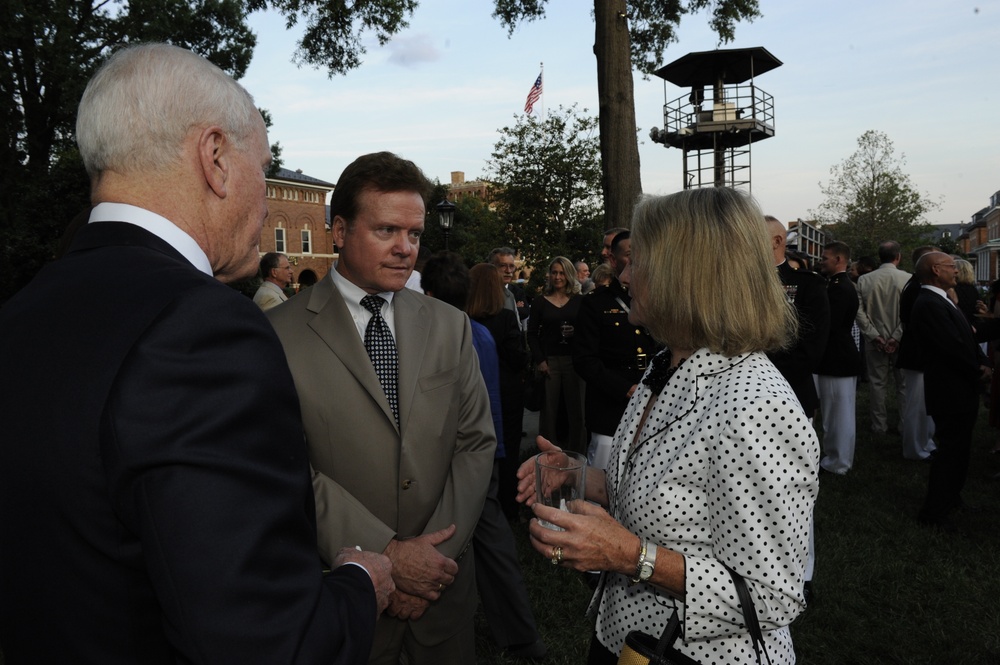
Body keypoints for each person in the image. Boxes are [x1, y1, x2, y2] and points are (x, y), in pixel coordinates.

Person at [0, 43, 391, 664]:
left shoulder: (22, 315)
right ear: (215, 157)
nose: (265, 204)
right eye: (262, 169)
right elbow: (264, 643)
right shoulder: (202, 329)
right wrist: (360, 584)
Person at [517, 188, 819, 664]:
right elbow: (677, 494)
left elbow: (772, 596)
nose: (624, 273)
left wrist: (629, 556)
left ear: (686, 273)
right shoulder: (669, 363)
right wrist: (583, 477)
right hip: (626, 639)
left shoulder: (754, 403)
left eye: (638, 260)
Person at [266, 151, 496, 664]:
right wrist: (388, 555)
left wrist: (432, 560)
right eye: (388, 230)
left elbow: (476, 442)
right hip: (345, 603)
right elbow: (281, 467)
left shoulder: (449, 325)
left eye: (414, 234)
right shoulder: (275, 336)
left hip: (442, 597)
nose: (405, 249)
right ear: (340, 230)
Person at [422, 254, 547, 662]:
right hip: (487, 453)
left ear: (428, 294)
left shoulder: (440, 335)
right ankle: (519, 634)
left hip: (456, 458)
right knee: (493, 543)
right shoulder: (481, 334)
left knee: (448, 541)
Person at [910, 253, 992, 531]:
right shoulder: (930, 302)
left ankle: (951, 497)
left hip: (958, 387)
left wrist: (981, 361)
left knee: (959, 450)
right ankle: (934, 512)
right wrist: (978, 369)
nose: (956, 271)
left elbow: (965, 337)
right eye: (951, 267)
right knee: (950, 452)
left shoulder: (942, 299)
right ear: (936, 270)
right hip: (950, 390)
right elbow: (952, 347)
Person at [574, 230, 658, 470]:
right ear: (613, 260)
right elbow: (584, 359)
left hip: (650, 405)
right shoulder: (595, 303)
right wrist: (625, 389)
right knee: (603, 477)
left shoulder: (657, 300)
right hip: (610, 409)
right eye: (630, 254)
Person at [468, 263, 529, 520]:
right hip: (506, 395)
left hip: (473, 394)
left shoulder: (462, 320)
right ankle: (507, 507)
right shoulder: (504, 320)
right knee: (508, 451)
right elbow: (518, 358)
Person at [765, 216, 830, 418]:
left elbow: (811, 347)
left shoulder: (807, 284)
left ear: (776, 242)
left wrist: (765, 379)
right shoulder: (737, 284)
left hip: (789, 393)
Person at [527, 256, 587, 454]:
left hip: (574, 361)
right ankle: (548, 457)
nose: (558, 276)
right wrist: (540, 360)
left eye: (561, 272)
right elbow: (532, 334)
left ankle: (577, 457)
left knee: (577, 411)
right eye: (554, 272)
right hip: (550, 362)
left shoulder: (580, 301)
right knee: (549, 413)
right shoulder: (539, 302)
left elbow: (589, 331)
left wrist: (576, 332)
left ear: (568, 275)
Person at [815, 241, 863, 473]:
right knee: (834, 414)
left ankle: (838, 462)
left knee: (838, 416)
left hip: (837, 358)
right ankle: (835, 457)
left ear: (838, 260)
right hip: (836, 357)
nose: (821, 261)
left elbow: (830, 324)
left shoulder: (840, 288)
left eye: (825, 258)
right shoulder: (837, 285)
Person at [856, 241, 911, 434]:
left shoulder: (864, 280)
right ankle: (905, 424)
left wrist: (874, 335)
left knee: (877, 383)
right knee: (903, 384)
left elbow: (859, 312)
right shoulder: (908, 279)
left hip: (875, 339)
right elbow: (910, 313)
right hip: (900, 339)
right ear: (898, 257)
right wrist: (896, 337)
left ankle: (879, 425)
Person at [895, 246, 941, 462]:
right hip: (917, 353)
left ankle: (926, 442)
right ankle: (915, 448)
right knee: (917, 405)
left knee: (926, 404)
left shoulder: (916, 285)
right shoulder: (916, 288)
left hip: (921, 353)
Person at [490, 246, 529, 326]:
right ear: (492, 267)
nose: (508, 271)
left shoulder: (518, 291)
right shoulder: (484, 291)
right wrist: (514, 308)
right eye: (503, 266)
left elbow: (525, 312)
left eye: (511, 266)